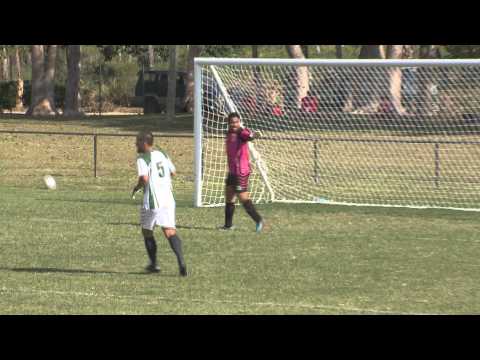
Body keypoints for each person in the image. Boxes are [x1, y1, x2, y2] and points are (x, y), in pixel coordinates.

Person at [131, 131, 187, 276]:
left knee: (147, 231)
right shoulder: (162, 153)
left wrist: (137, 187)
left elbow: (144, 178)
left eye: (137, 141)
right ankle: (181, 261)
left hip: (152, 201)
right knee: (169, 231)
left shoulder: (142, 158)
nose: (135, 144)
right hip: (168, 199)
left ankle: (154, 264)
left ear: (144, 143)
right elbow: (173, 173)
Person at [222, 112, 264, 232]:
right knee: (229, 197)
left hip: (241, 172)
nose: (234, 124)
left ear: (239, 121)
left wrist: (254, 135)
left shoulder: (241, 132)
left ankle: (258, 220)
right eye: (232, 122)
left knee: (243, 198)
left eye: (236, 122)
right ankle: (228, 225)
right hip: (232, 171)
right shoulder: (229, 132)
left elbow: (248, 136)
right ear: (228, 123)